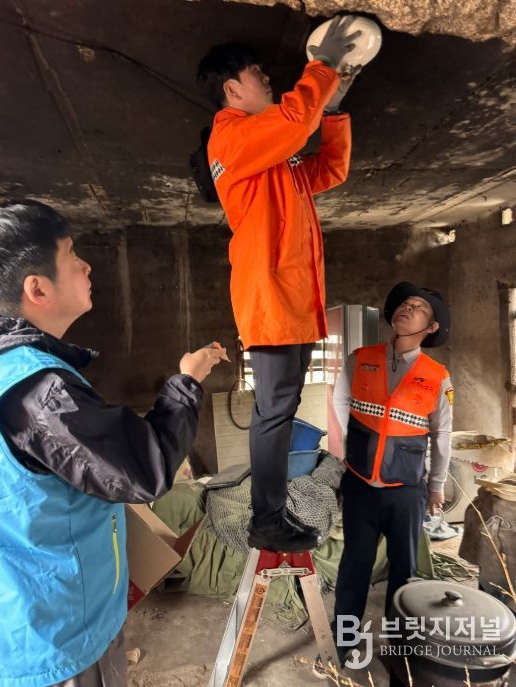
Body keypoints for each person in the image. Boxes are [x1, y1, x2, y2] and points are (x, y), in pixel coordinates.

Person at [0, 200, 227, 687]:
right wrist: (187, 381)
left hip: (18, 618)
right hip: (60, 636)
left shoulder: (8, 372)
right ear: (37, 288)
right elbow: (145, 468)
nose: (86, 266)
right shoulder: (40, 392)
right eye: (71, 255)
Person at [197, 17, 360, 552]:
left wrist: (332, 114)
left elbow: (328, 171)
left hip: (288, 297)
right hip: (270, 297)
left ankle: (271, 512)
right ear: (232, 90)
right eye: (257, 73)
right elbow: (292, 122)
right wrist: (324, 67)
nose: (267, 79)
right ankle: (267, 519)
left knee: (280, 409)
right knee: (275, 411)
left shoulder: (269, 157)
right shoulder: (230, 137)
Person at [332, 281, 453, 660]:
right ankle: (343, 644)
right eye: (405, 303)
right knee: (354, 566)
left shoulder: (438, 376)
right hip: (360, 485)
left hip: (406, 490)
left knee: (405, 571)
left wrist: (436, 485)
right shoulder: (360, 358)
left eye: (419, 307)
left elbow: (442, 434)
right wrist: (353, 446)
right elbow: (340, 400)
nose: (408, 308)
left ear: (431, 327)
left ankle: (402, 649)